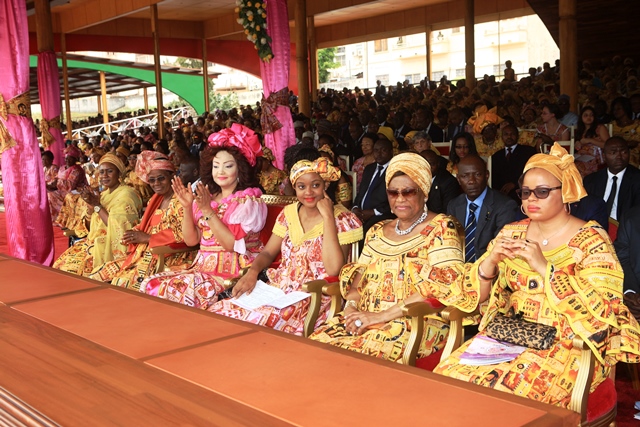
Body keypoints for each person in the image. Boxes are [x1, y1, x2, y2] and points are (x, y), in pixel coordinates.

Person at [433, 142, 640, 408]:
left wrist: (545, 268)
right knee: (448, 379)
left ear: (565, 192)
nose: (531, 199)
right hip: (509, 336)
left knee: (507, 399)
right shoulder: (511, 232)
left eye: (542, 192)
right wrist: (491, 262)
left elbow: (603, 313)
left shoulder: (591, 240)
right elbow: (474, 296)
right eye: (526, 192)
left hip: (569, 344)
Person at [309, 153, 466, 362]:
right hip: (365, 317)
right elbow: (358, 282)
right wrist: (351, 310)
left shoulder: (441, 228)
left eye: (409, 192)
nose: (400, 199)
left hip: (416, 321)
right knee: (317, 343)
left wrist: (381, 317)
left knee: (364, 356)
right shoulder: (376, 230)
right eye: (393, 192)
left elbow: (445, 282)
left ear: (425, 193)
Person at [211, 157, 363, 335]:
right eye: (301, 186)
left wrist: (328, 217)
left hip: (315, 295)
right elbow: (268, 252)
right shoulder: (289, 213)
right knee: (224, 310)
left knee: (258, 319)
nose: (309, 192)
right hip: (279, 288)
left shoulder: (343, 219)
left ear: (326, 186)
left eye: (316, 185)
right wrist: (252, 272)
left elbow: (333, 270)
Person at [140, 124, 267, 309]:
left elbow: (231, 245)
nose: (220, 172)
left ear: (240, 168)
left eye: (228, 166)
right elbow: (191, 240)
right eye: (216, 166)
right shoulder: (209, 197)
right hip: (202, 268)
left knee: (170, 290)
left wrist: (208, 212)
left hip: (233, 271)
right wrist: (186, 207)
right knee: (151, 285)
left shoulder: (248, 202)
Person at [88, 151, 195, 290]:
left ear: (172, 177)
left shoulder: (182, 200)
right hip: (145, 252)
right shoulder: (156, 199)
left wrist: (149, 238)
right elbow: (145, 225)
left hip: (169, 255)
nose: (156, 183)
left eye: (161, 178)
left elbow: (184, 235)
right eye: (151, 180)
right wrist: (134, 233)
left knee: (121, 282)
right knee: (98, 274)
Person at [53, 154, 142, 276]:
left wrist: (97, 206)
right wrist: (90, 208)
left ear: (119, 173)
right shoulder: (104, 194)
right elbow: (90, 229)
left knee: (70, 271)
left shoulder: (127, 195)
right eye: (101, 172)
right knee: (59, 266)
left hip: (110, 247)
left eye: (109, 171)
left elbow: (118, 228)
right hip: (92, 243)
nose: (104, 175)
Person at [447, 155, 518, 262]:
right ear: (458, 179)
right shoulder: (454, 205)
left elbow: (502, 249)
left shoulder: (505, 206)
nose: (471, 181)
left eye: (477, 174)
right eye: (465, 176)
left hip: (490, 269)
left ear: (487, 175)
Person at [583, 137, 640, 221]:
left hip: (625, 228)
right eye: (613, 152)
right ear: (604, 155)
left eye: (624, 152)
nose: (619, 157)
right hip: (595, 227)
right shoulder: (591, 180)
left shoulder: (637, 179)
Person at [353, 138, 395, 237]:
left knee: (366, 231)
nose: (379, 154)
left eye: (383, 150)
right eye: (376, 150)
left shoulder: (395, 170)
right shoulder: (369, 168)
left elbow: (396, 200)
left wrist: (374, 212)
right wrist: (355, 207)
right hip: (361, 213)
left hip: (382, 215)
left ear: (391, 152)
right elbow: (361, 192)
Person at [491, 124, 536, 202]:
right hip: (501, 198)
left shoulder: (527, 152)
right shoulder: (496, 156)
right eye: (506, 134)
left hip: (522, 195)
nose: (509, 137)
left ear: (517, 136)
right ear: (502, 137)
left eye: (512, 134)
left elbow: (532, 171)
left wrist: (515, 184)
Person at [47, 145, 87, 222]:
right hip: (62, 189)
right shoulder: (62, 167)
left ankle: (58, 219)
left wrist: (56, 183)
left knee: (51, 195)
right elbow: (56, 178)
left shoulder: (77, 170)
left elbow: (70, 185)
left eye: (70, 158)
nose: (67, 160)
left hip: (75, 191)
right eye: (66, 158)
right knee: (46, 191)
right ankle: (52, 218)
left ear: (75, 159)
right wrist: (51, 184)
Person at [574, 106, 610, 177]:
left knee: (579, 167)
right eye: (586, 115)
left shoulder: (600, 128)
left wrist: (590, 140)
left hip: (596, 157)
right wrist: (577, 144)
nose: (589, 117)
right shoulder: (580, 131)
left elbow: (608, 145)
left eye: (591, 115)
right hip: (582, 157)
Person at [421, 150, 461, 214]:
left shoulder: (449, 182)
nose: (427, 167)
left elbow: (447, 211)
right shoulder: (413, 179)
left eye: (431, 164)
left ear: (438, 164)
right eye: (424, 164)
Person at [610, 97, 640, 167]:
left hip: (634, 159)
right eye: (614, 109)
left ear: (626, 108)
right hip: (615, 159)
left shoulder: (637, 125)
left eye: (618, 109)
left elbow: (636, 143)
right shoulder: (611, 125)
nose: (615, 111)